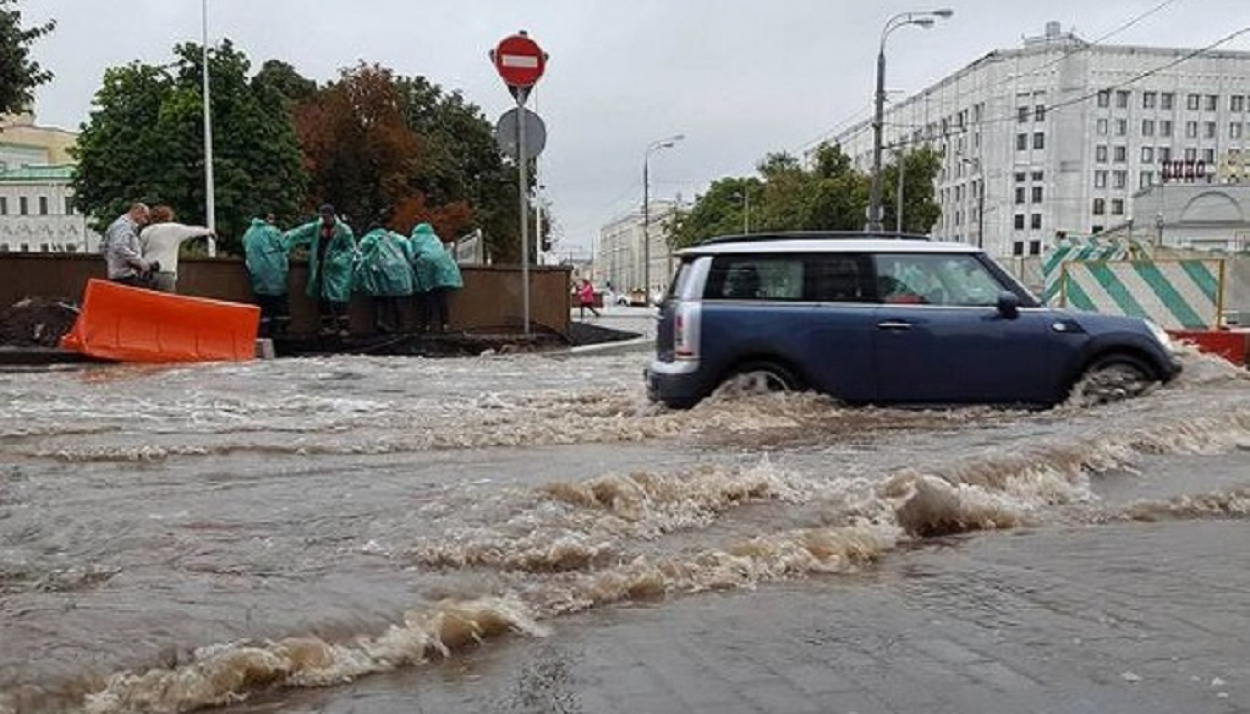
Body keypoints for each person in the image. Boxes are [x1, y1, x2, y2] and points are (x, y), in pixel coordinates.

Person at [284, 204, 357, 335]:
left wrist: (338, 260)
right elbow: (300, 232)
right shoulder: (318, 227)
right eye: (322, 217)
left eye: (327, 216)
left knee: (339, 298)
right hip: (321, 267)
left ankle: (344, 327)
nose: (324, 219)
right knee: (321, 297)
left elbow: (351, 249)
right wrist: (286, 238)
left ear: (333, 215)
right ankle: (327, 326)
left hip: (336, 271)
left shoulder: (344, 230)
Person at [139, 205, 214, 293]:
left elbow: (140, 250)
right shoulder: (174, 228)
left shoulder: (146, 231)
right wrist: (208, 232)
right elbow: (193, 231)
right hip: (166, 272)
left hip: (148, 272)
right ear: (168, 217)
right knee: (167, 303)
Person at [407, 222, 463, 333]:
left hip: (426, 263)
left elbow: (410, 255)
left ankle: (426, 325)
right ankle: (445, 324)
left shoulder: (415, 238)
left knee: (428, 296)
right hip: (443, 263)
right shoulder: (435, 238)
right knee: (441, 297)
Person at [357, 226, 413, 333]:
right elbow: (408, 250)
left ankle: (381, 324)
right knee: (397, 299)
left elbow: (360, 256)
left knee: (379, 299)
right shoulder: (395, 237)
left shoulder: (368, 239)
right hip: (400, 269)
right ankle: (401, 326)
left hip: (379, 270)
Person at [242, 214, 290, 337]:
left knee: (263, 307)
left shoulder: (248, 233)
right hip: (275, 275)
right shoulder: (271, 231)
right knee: (279, 307)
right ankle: (280, 333)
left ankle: (264, 332)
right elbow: (284, 244)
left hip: (257, 276)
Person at [101, 203, 153, 287]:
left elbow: (104, 247)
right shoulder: (123, 226)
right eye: (145, 217)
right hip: (124, 275)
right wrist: (140, 262)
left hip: (121, 273)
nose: (145, 221)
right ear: (137, 213)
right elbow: (119, 247)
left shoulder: (121, 225)